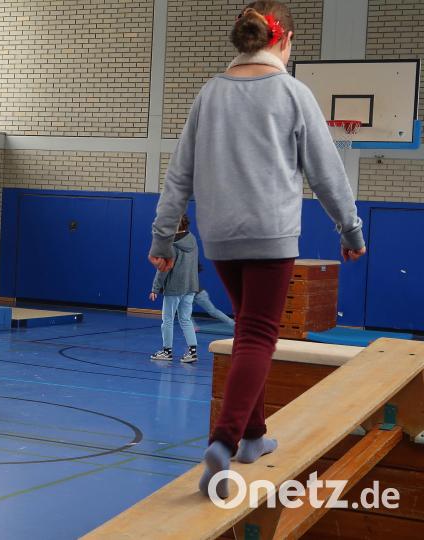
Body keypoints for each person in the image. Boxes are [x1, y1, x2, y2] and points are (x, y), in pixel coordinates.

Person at [148, 1, 365, 500]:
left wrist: (162, 238)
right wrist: (350, 231)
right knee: (259, 335)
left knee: (248, 328)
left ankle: (252, 437)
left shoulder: (209, 96)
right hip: (270, 235)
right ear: (283, 40)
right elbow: (326, 172)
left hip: (220, 238)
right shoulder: (292, 93)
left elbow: (178, 174)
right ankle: (222, 442)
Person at [149, 215, 200, 363]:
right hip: (190, 286)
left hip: (174, 287)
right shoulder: (193, 239)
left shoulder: (171, 245)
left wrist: (155, 288)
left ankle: (167, 351)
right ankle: (192, 352)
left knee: (168, 320)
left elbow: (163, 269)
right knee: (185, 319)